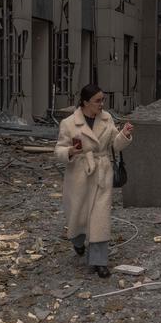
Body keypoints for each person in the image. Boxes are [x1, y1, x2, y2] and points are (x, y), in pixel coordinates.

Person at [54, 84, 134, 278]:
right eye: (98, 100)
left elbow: (115, 144)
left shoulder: (107, 119)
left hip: (101, 172)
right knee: (77, 217)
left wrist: (125, 134)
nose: (102, 104)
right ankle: (78, 241)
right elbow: (58, 151)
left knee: (100, 218)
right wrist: (70, 152)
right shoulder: (69, 123)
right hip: (79, 175)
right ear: (85, 102)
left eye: (103, 100)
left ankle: (99, 262)